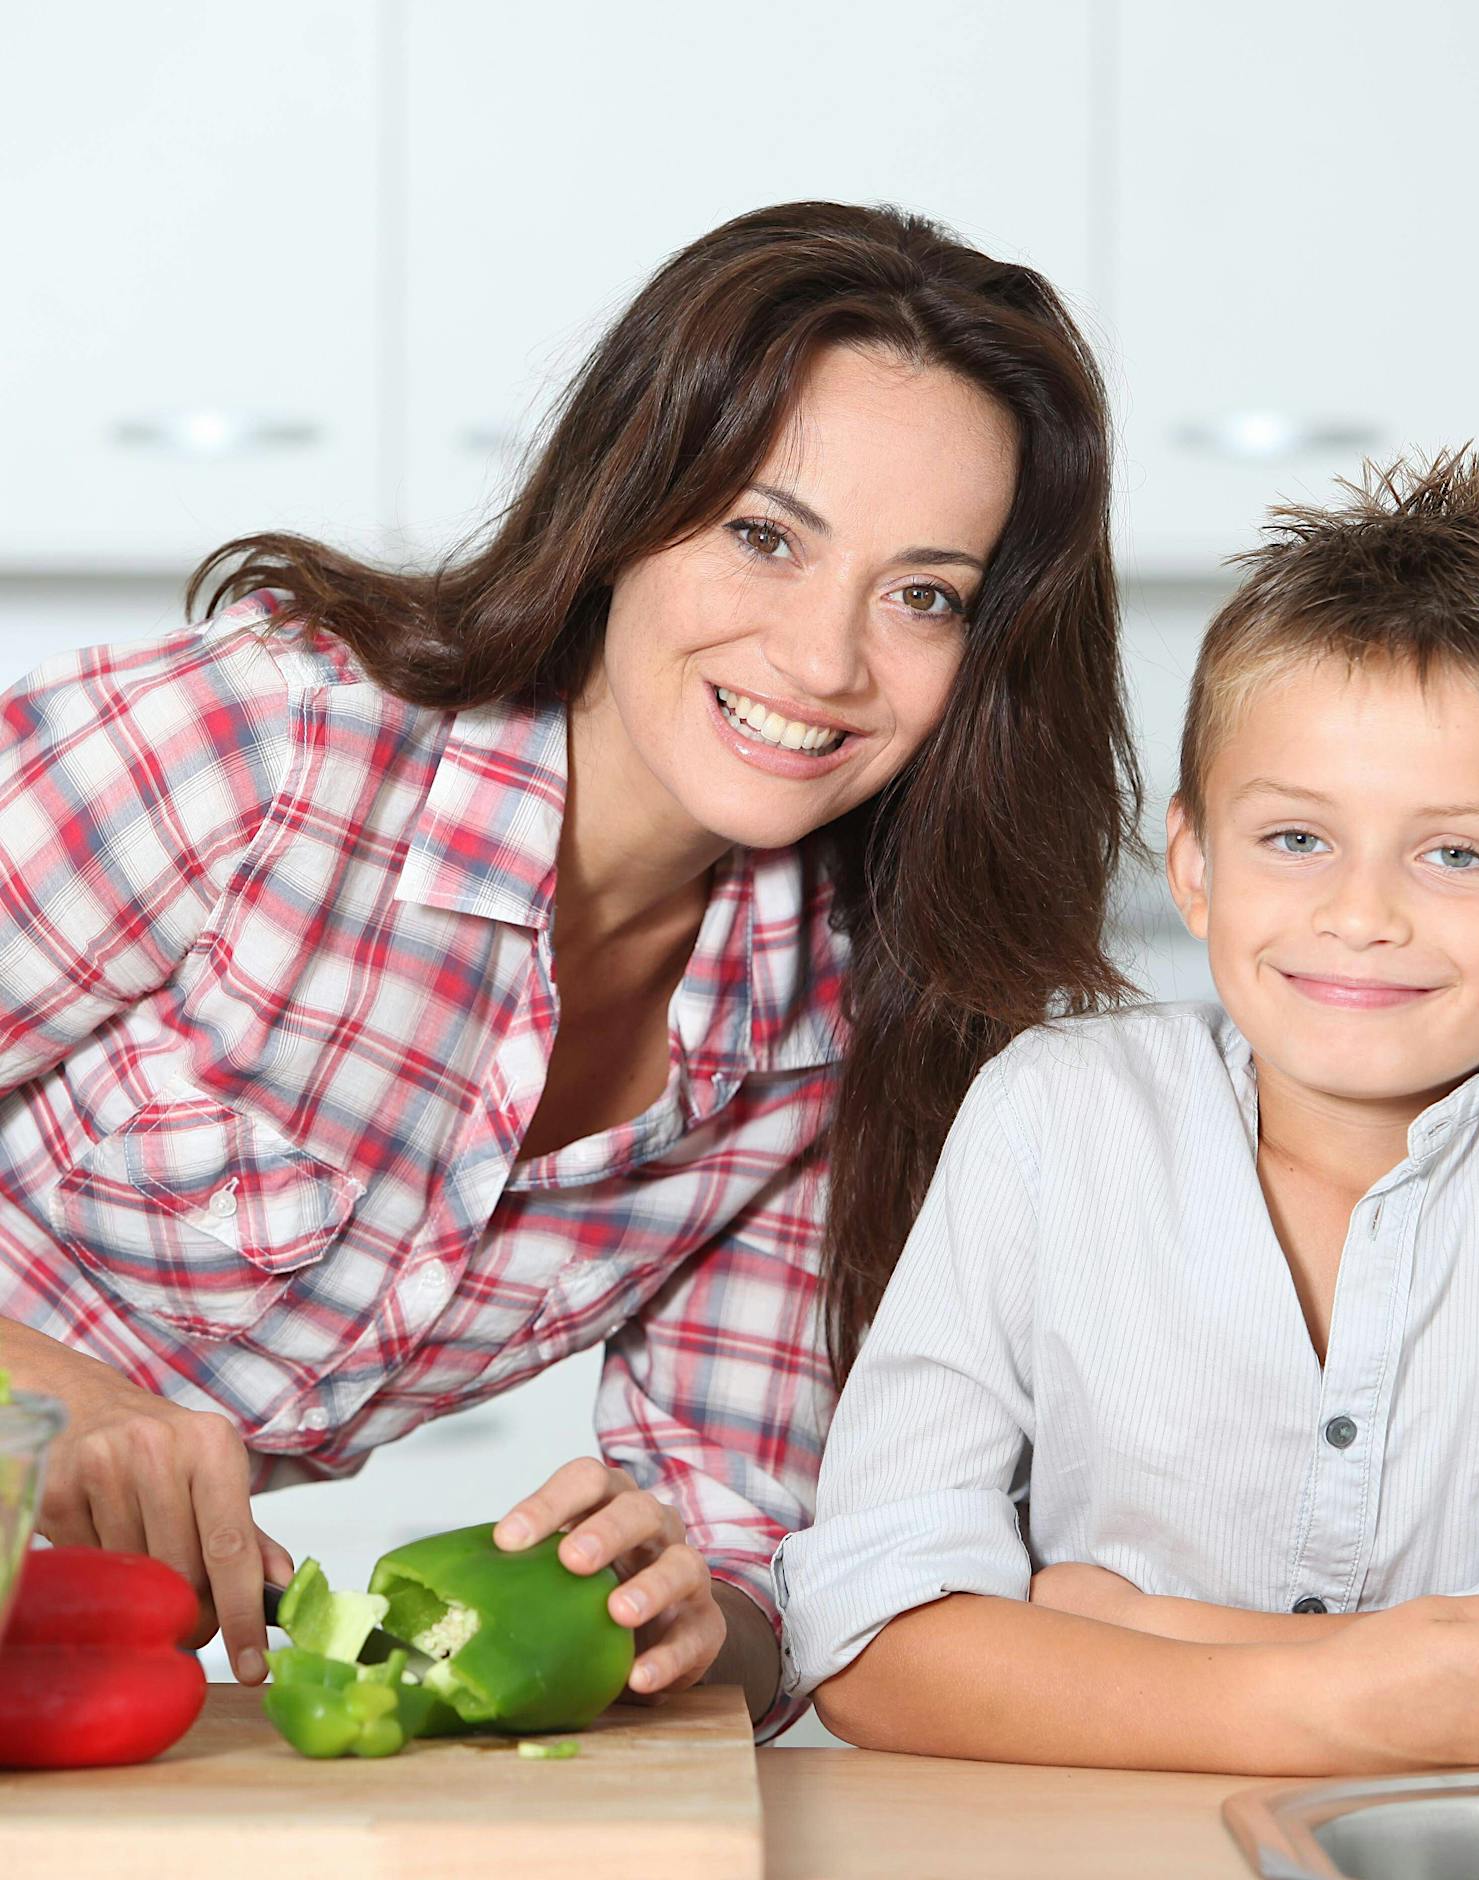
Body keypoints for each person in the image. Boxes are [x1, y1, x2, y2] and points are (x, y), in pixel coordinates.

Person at [0, 201, 1139, 1738]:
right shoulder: (260, 754)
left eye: (923, 593)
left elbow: (746, 1563)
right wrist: (45, 1398)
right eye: (764, 535)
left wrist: (670, 1609)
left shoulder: (839, 1035)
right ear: (625, 506)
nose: (824, 661)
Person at [775, 449, 1479, 1773]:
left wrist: (1144, 1630)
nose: (1361, 915)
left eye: (1457, 854)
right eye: (1298, 839)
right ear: (1195, 865)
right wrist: (1322, 1702)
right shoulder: (1058, 1115)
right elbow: (868, 1631)